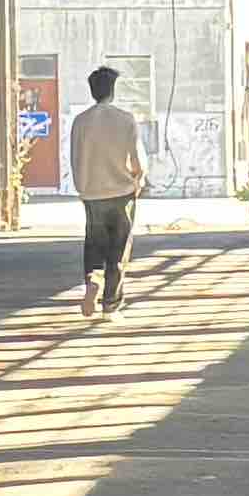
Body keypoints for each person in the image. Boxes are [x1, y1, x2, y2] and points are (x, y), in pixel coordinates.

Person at [64, 61, 148, 317]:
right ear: (112, 91)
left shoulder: (80, 121)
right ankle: (110, 306)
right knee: (118, 250)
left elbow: (74, 157)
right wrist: (139, 178)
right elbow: (137, 160)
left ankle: (92, 280)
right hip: (122, 193)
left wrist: (83, 186)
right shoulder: (125, 119)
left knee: (94, 243)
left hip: (91, 193)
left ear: (92, 91)